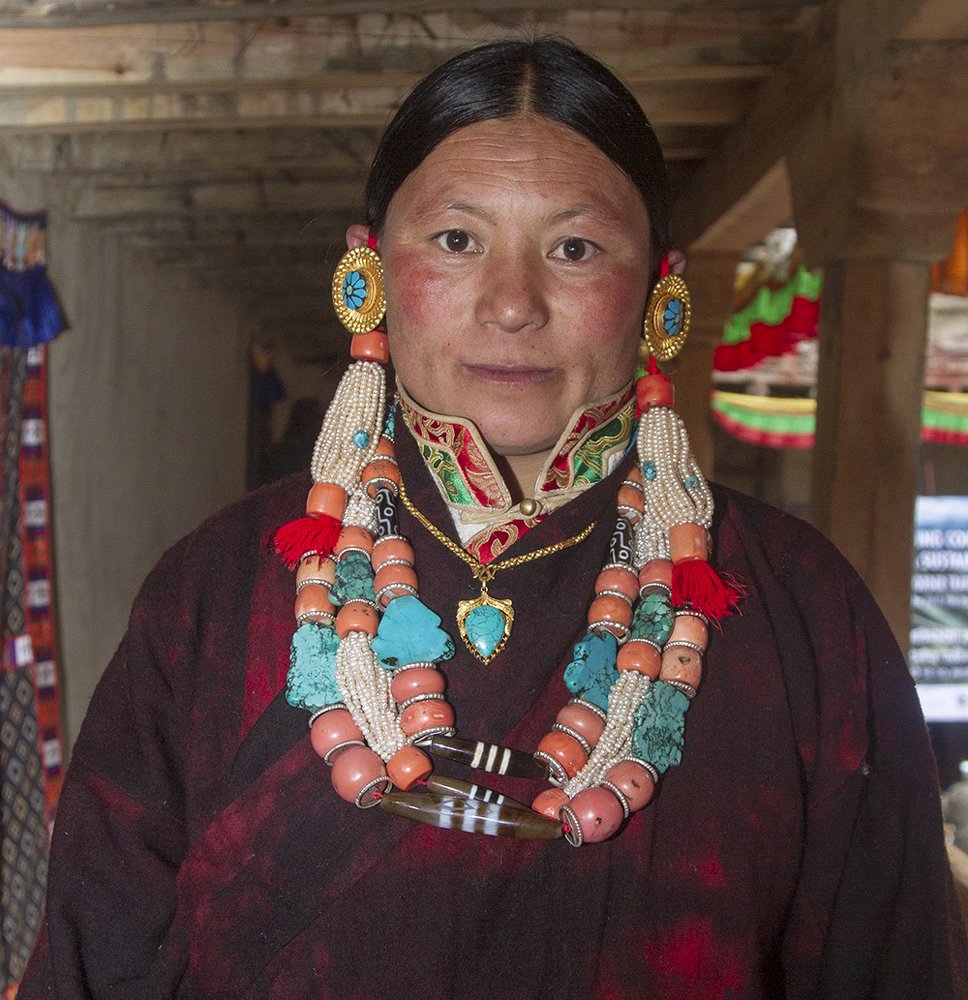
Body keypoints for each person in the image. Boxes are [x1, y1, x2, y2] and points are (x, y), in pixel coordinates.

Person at [20, 39, 968, 999]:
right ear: (372, 268)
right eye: (457, 240)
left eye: (575, 248)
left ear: (657, 292)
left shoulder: (798, 606)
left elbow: (895, 960)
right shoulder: (215, 588)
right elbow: (92, 947)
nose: (513, 304)